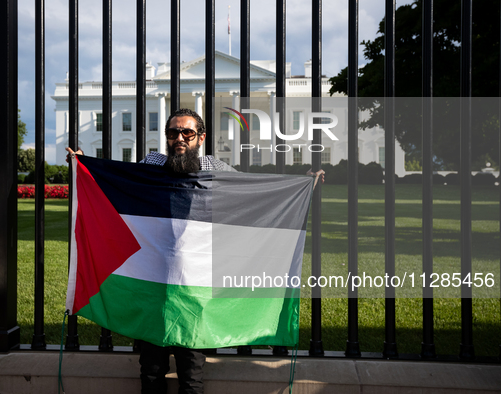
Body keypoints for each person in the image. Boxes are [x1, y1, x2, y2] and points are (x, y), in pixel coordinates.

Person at [67, 108, 324, 394]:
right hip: (154, 287)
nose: (180, 138)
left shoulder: (214, 167)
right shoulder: (152, 164)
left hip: (196, 290)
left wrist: (301, 184)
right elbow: (118, 184)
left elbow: (251, 193)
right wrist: (85, 166)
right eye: (173, 132)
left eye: (187, 132)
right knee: (151, 372)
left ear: (200, 137)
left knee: (192, 375)